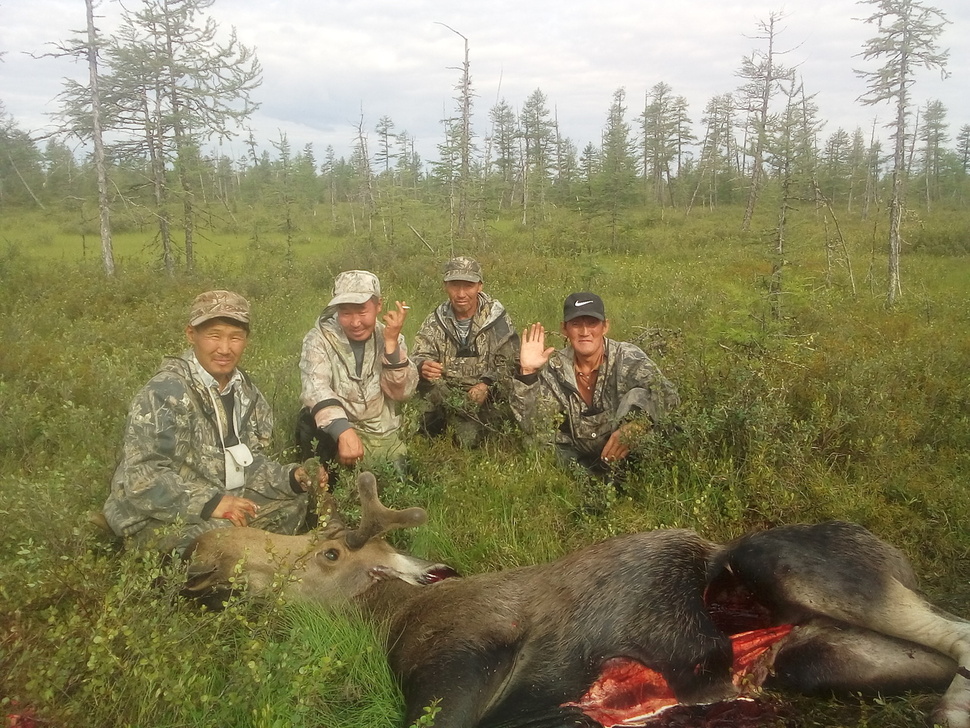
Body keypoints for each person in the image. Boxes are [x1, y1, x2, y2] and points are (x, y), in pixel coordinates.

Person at [103, 290, 325, 555]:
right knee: (219, 536)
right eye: (214, 335)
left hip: (220, 498)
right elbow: (143, 479)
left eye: (235, 337)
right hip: (155, 514)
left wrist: (290, 478)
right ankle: (198, 585)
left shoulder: (246, 392)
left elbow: (247, 463)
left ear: (246, 340)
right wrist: (211, 504)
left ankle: (257, 573)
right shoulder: (164, 392)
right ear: (191, 335)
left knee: (293, 501)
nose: (224, 348)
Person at [511, 292, 680, 475]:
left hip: (626, 454)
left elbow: (668, 395)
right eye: (576, 324)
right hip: (576, 458)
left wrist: (637, 425)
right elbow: (532, 424)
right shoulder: (555, 369)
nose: (584, 332)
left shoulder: (628, 357)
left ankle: (635, 478)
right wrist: (527, 372)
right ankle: (582, 481)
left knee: (641, 399)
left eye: (592, 323)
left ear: (605, 326)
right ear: (564, 329)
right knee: (535, 441)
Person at [296, 270, 417, 471]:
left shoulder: (389, 336)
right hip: (333, 428)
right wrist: (343, 431)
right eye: (345, 313)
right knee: (319, 473)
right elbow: (315, 388)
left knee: (398, 481)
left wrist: (391, 344)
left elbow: (402, 393)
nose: (355, 322)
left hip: (379, 428)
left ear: (378, 305)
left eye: (362, 312)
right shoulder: (318, 339)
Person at [411, 256, 519, 446]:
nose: (461, 293)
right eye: (454, 285)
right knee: (419, 402)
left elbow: (509, 361)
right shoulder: (435, 320)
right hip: (447, 396)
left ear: (479, 286)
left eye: (468, 286)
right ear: (445, 286)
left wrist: (486, 383)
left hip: (487, 395)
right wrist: (423, 365)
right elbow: (420, 354)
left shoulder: (497, 318)